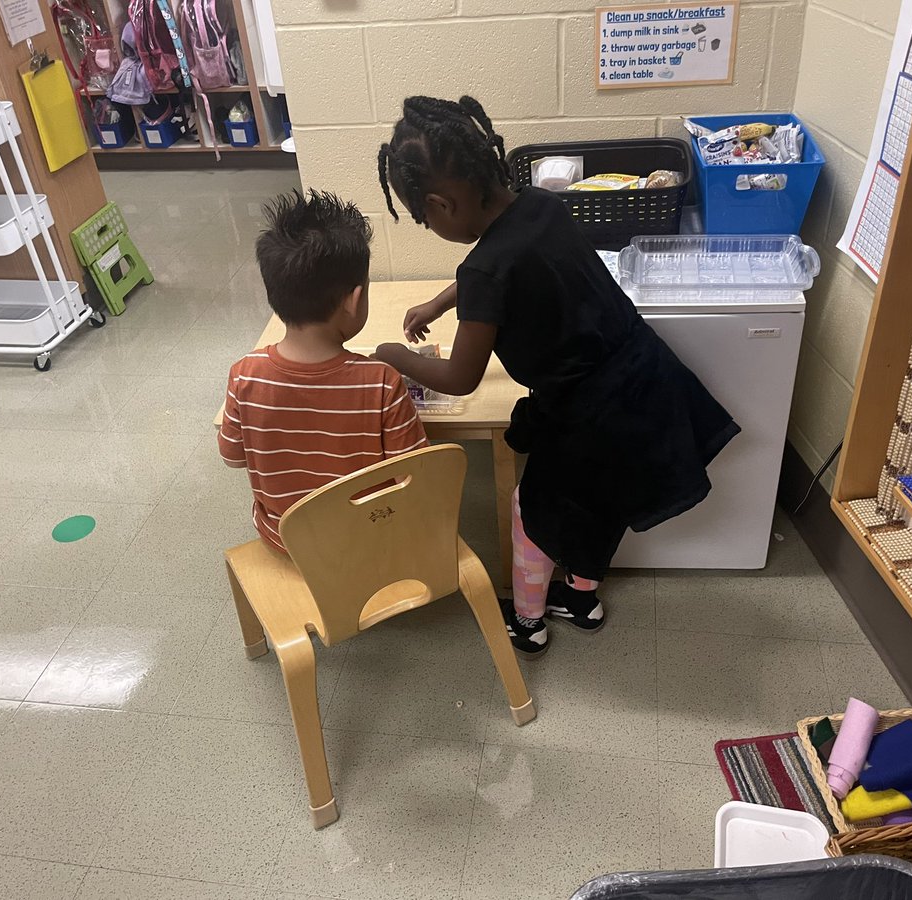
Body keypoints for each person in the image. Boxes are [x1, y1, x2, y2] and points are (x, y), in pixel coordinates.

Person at [374, 95, 740, 658]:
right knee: (603, 503)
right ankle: (582, 600)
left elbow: (461, 376)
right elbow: (494, 269)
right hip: (644, 376)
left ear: (441, 204)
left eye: (425, 219)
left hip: (588, 414)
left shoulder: (486, 269)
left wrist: (396, 356)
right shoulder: (542, 205)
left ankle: (527, 621)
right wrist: (442, 302)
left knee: (535, 512)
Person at [218, 189, 428, 551]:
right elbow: (414, 472)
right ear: (355, 300)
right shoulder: (381, 382)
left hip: (285, 541)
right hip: (366, 541)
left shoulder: (244, 375)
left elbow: (232, 457)